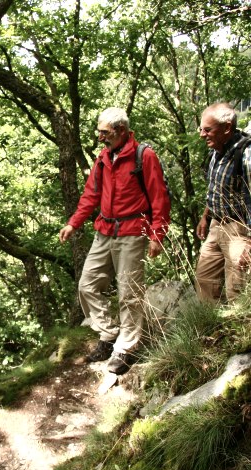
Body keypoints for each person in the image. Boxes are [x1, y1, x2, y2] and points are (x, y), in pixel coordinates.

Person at [59, 107, 171, 375]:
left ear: (121, 130)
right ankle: (108, 335)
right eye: (99, 132)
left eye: (104, 133)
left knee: (129, 293)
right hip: (104, 231)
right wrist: (73, 222)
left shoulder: (144, 155)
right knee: (87, 285)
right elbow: (91, 195)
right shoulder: (103, 158)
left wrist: (157, 235)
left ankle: (127, 348)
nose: (100, 138)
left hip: (133, 232)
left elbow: (159, 197)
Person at [195, 102, 251, 303]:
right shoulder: (216, 151)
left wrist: (249, 242)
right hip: (216, 224)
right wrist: (205, 216)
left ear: (227, 128)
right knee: (204, 278)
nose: (202, 134)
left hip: (239, 228)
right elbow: (217, 188)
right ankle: (212, 328)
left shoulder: (246, 154)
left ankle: (239, 330)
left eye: (208, 130)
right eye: (201, 129)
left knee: (237, 286)